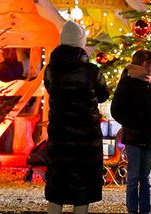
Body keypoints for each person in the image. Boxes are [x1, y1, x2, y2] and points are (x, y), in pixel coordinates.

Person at [43, 21, 109, 214]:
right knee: (83, 189)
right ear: (81, 43)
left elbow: (50, 90)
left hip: (60, 135)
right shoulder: (91, 71)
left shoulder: (51, 70)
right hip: (85, 138)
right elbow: (104, 94)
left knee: (57, 188)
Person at [110, 49, 151, 214]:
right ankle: (132, 209)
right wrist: (133, 124)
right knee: (133, 178)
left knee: (145, 178)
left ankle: (145, 209)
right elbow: (116, 109)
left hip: (148, 136)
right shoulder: (128, 82)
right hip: (134, 137)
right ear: (144, 64)